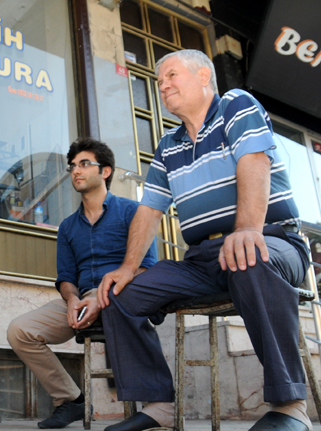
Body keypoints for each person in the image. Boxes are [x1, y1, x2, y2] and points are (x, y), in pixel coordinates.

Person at [98, 50, 311, 431]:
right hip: (202, 259)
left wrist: (247, 228)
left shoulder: (235, 105)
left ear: (203, 77)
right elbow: (149, 210)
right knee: (120, 297)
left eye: (172, 75)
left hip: (271, 240)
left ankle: (290, 405)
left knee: (247, 256)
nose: (162, 85)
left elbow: (254, 161)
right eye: (159, 80)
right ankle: (159, 406)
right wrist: (128, 268)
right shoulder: (168, 146)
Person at [7, 138, 157, 429]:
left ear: (106, 171)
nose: (76, 170)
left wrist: (102, 299)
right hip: (81, 299)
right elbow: (65, 277)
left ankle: (153, 407)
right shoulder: (67, 226)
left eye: (85, 164)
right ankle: (71, 400)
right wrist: (72, 300)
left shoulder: (132, 212)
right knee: (19, 330)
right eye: (73, 165)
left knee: (123, 301)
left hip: (124, 294)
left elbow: (146, 267)